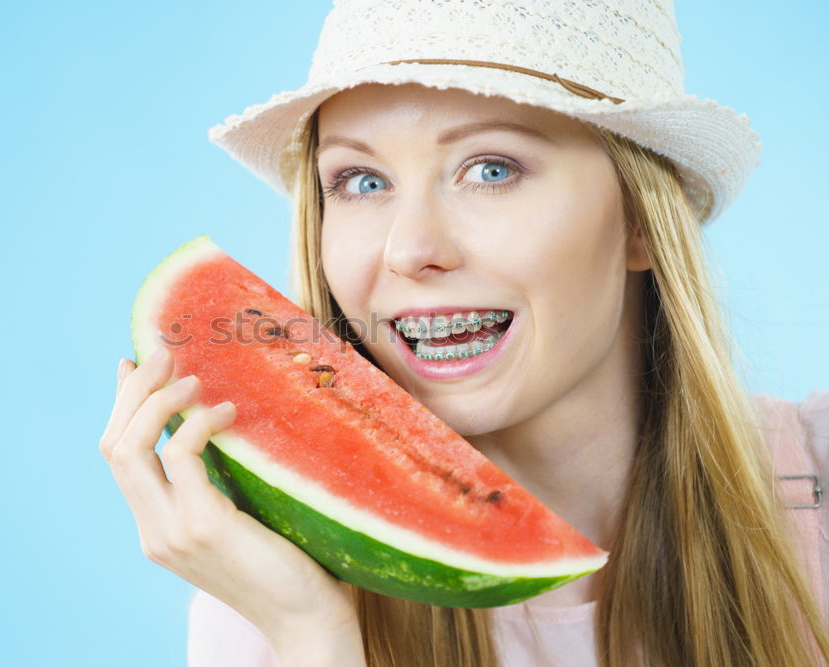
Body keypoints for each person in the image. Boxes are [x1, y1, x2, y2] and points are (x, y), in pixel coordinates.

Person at [99, 1, 829, 665]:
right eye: (360, 181)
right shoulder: (261, 598)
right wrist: (312, 635)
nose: (410, 248)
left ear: (638, 219)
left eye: (490, 168)